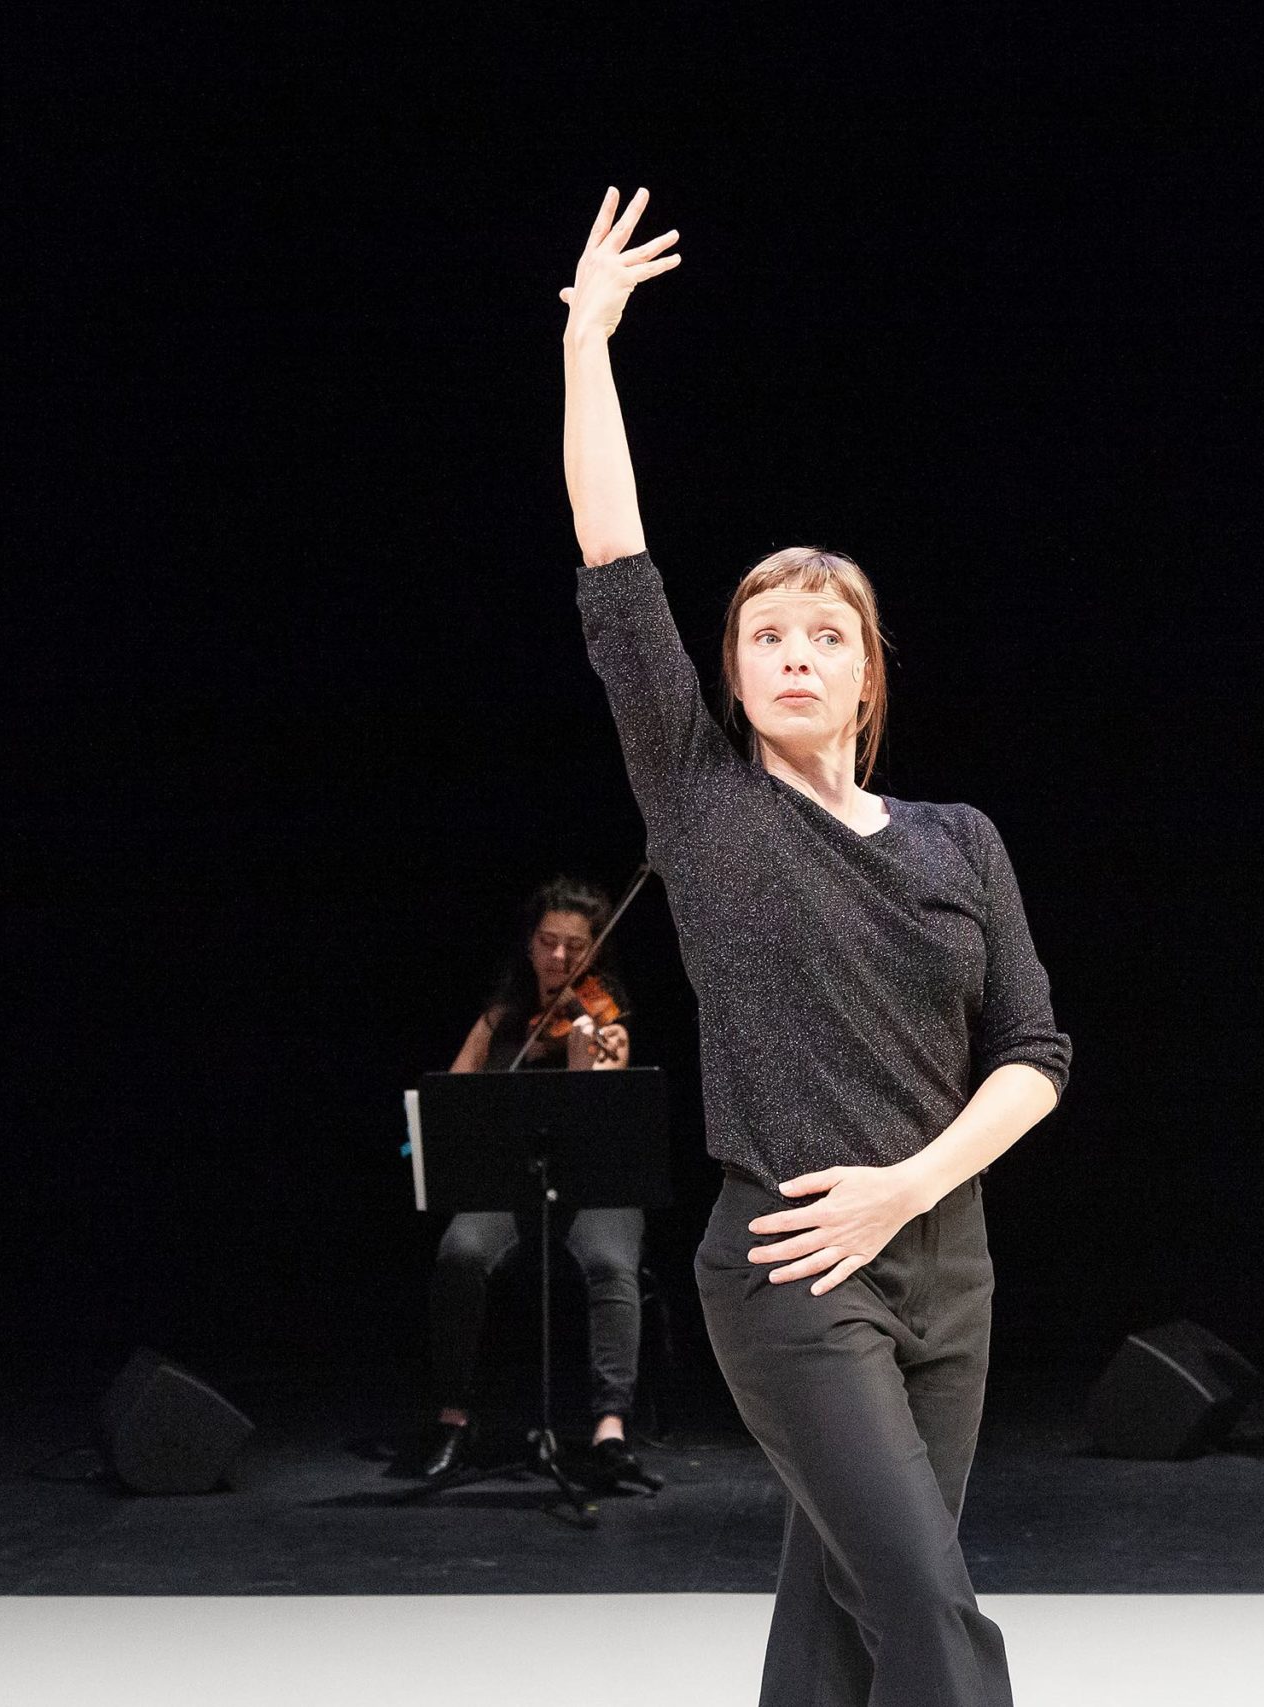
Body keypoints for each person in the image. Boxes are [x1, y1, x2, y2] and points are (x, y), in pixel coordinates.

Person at [560, 187, 1069, 1707]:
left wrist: (914, 1185)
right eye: (766, 635)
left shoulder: (959, 839)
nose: (795, 651)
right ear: (728, 676)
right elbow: (617, 567)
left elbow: (1034, 1054)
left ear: (866, 676)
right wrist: (588, 345)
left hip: (946, 1262)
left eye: (825, 634)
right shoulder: (706, 804)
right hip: (790, 1261)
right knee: (931, 1611)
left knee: (844, 1613)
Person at [417, 874, 645, 1486]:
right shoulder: (498, 1021)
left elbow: (596, 1128)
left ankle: (609, 1428)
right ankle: (453, 1418)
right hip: (508, 1186)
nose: (560, 957)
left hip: (589, 1190)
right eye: (548, 942)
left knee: (612, 1264)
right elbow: (449, 1106)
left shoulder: (606, 1025)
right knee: (460, 1253)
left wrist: (581, 1062)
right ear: (530, 944)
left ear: (595, 952)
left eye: (576, 946)